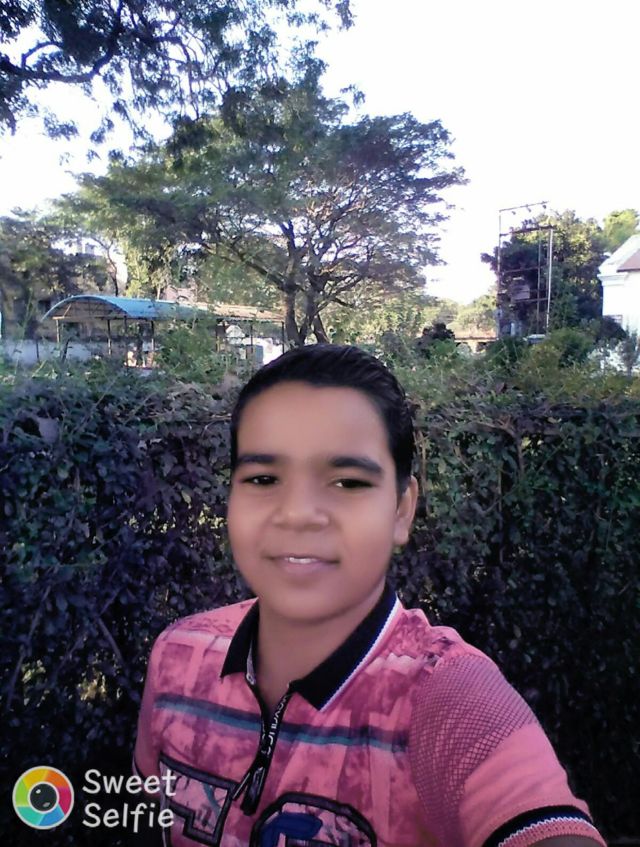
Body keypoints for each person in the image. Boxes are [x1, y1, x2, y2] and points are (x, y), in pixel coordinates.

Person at [133, 344, 606, 847]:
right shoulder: (178, 657)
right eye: (263, 478)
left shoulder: (445, 698)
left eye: (347, 482)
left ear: (402, 510)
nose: (297, 513)